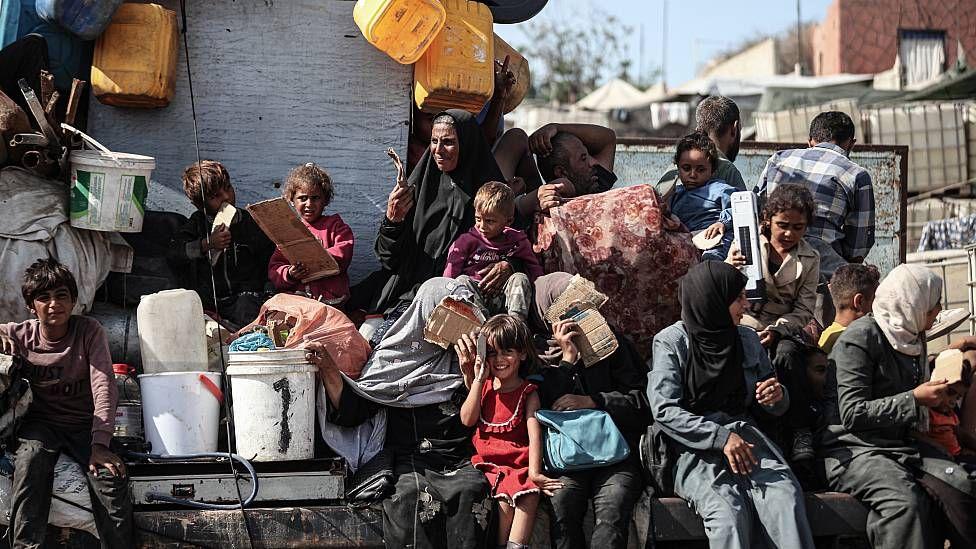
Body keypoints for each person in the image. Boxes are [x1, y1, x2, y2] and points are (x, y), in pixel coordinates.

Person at [312, 277, 493, 548]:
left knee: (472, 489)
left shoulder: (467, 358)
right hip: (409, 457)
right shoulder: (393, 355)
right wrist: (328, 368)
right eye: (449, 311)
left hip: (455, 457)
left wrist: (471, 375)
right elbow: (358, 407)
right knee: (410, 496)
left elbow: (479, 416)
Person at [648, 261, 815, 549]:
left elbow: (772, 402)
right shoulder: (672, 342)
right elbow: (664, 410)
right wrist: (721, 438)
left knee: (783, 498)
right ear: (712, 301)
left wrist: (776, 397)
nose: (746, 305)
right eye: (737, 298)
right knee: (727, 511)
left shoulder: (747, 339)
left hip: (747, 441)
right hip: (692, 448)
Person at [820, 264, 976, 548]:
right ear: (910, 304)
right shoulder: (859, 338)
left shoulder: (912, 334)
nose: (938, 310)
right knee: (905, 505)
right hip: (856, 451)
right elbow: (853, 414)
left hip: (901, 445)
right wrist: (914, 399)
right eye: (932, 306)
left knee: (963, 486)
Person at [0, 259, 132, 548]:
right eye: (43, 297)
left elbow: (104, 386)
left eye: (61, 295)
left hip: (83, 424)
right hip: (41, 425)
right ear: (30, 306)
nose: (53, 304)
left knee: (110, 480)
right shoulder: (22, 334)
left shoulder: (89, 331)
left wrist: (100, 443)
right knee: (29, 461)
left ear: (73, 300)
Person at [531, 273, 650, 549]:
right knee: (563, 508)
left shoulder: (613, 346)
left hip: (615, 454)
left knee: (611, 517)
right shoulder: (536, 354)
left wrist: (594, 400)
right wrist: (567, 361)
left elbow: (642, 402)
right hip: (567, 459)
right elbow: (540, 406)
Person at [354, 109, 508, 315]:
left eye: (448, 142)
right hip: (408, 294)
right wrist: (393, 221)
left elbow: (516, 239)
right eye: (434, 141)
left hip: (460, 301)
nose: (438, 150)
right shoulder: (420, 187)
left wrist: (509, 264)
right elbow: (388, 258)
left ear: (468, 143)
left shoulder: (490, 195)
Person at [727, 183, 820, 461]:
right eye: (783, 225)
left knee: (787, 356)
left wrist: (779, 330)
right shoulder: (746, 241)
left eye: (798, 227)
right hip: (744, 320)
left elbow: (804, 309)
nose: (790, 233)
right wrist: (730, 266)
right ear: (768, 219)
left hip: (783, 327)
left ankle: (799, 430)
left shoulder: (810, 258)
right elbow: (726, 289)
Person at [459, 315, 556, 549]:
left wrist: (535, 473)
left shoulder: (528, 392)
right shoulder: (484, 387)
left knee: (529, 494)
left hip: (518, 465)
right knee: (503, 504)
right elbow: (467, 419)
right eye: (492, 353)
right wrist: (478, 379)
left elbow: (534, 435)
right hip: (490, 464)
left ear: (522, 354)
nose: (499, 360)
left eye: (507, 351)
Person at [755, 111, 875, 280]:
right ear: (851, 144)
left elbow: (757, 207)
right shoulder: (856, 175)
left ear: (810, 141)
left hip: (771, 254)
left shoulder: (778, 159)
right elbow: (858, 246)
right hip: (822, 262)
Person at [169, 160, 274, 329]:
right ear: (199, 204)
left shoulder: (252, 222)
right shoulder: (196, 224)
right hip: (211, 301)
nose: (226, 197)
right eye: (215, 196)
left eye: (228, 188)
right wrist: (206, 245)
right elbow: (175, 254)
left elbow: (269, 260)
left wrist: (269, 294)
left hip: (247, 299)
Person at [443, 182, 543, 320]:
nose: (482, 226)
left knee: (520, 278)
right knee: (462, 281)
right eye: (478, 219)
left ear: (508, 221)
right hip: (475, 297)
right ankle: (482, 325)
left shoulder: (518, 242)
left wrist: (540, 292)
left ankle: (515, 326)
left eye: (489, 221)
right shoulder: (466, 241)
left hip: (505, 297)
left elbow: (534, 269)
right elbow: (449, 275)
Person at [268, 162, 354, 306]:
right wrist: (290, 273)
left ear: (325, 200)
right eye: (302, 198)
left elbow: (344, 251)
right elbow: (275, 267)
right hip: (298, 299)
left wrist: (317, 258)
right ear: (292, 200)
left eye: (315, 198)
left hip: (329, 300)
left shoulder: (335, 226)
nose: (309, 204)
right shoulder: (288, 232)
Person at [666, 131, 736, 261]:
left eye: (700, 170)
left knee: (710, 261)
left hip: (714, 239)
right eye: (686, 168)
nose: (693, 175)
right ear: (678, 168)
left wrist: (723, 223)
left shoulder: (719, 189)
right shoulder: (675, 194)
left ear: (712, 170)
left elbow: (742, 207)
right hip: (686, 243)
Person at [657, 96, 747, 195]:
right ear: (734, 130)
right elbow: (745, 208)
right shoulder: (729, 172)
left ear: (698, 130)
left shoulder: (675, 168)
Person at [523, 123, 617, 216]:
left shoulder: (598, 181)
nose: (594, 162)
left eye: (589, 155)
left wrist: (556, 127)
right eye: (583, 158)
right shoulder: (550, 208)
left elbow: (608, 138)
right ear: (562, 172)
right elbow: (516, 137)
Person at [819, 263, 880, 353]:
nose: (878, 306)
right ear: (859, 301)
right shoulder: (859, 340)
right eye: (875, 300)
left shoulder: (825, 337)